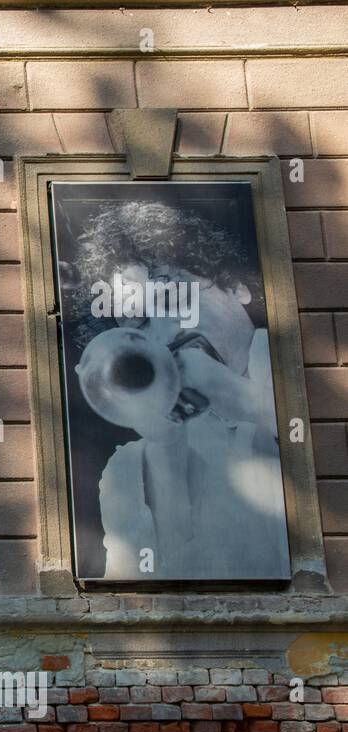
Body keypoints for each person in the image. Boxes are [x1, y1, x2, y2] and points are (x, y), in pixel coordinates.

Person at [64, 200, 290, 580]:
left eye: (172, 297)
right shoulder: (129, 470)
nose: (166, 335)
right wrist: (165, 453)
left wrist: (244, 400)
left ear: (236, 287)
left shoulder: (315, 366)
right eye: (139, 325)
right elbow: (150, 603)